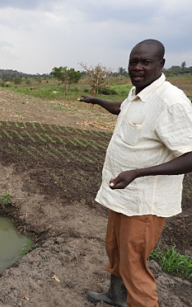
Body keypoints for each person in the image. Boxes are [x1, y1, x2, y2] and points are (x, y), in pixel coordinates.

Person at [79, 39, 192, 306]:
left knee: (134, 264)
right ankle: (116, 297)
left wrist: (138, 173)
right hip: (122, 194)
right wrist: (96, 100)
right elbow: (125, 108)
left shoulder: (171, 102)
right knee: (116, 250)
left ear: (161, 64)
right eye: (133, 61)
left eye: (146, 62)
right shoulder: (138, 92)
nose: (138, 67)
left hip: (143, 202)